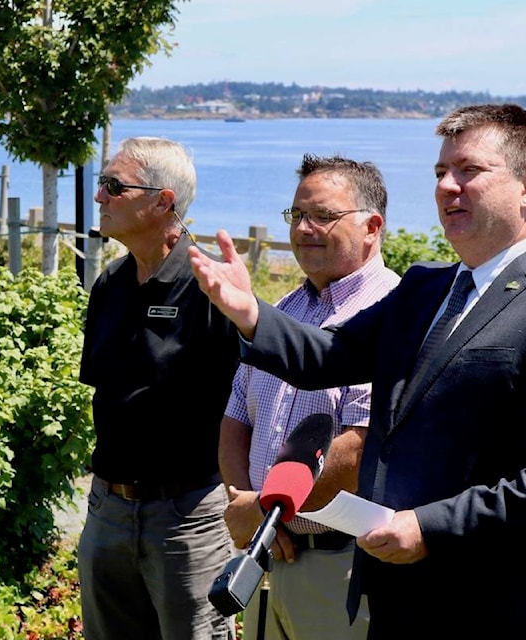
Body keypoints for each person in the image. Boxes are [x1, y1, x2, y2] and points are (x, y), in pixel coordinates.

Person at [189, 103, 526, 638]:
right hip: (398, 605)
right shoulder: (423, 288)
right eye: (440, 172)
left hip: (499, 611)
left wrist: (429, 526)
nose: (447, 187)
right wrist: (249, 313)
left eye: (469, 170)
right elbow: (327, 357)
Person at [220, 154, 400, 640]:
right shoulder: (284, 309)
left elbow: (360, 448)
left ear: (372, 226)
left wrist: (264, 510)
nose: (304, 228)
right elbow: (236, 418)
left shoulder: (393, 313)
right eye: (297, 215)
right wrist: (247, 503)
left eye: (323, 216)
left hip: (340, 567)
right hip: (267, 554)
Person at [78, 136, 241, 640]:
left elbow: (247, 405)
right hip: (106, 511)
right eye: (100, 184)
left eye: (112, 185)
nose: (99, 197)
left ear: (162, 201)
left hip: (186, 520)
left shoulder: (212, 288)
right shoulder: (109, 284)